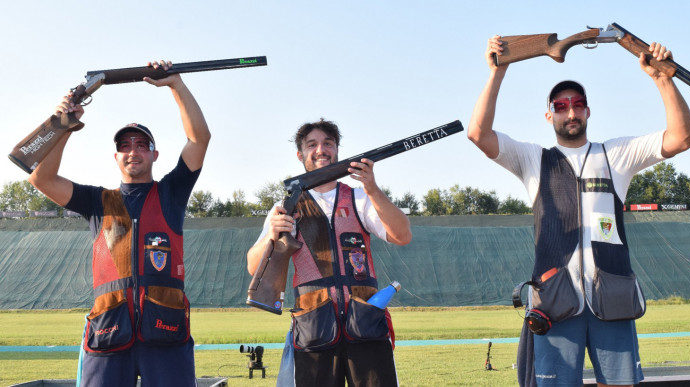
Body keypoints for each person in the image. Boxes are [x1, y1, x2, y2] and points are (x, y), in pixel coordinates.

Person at [468, 36, 690, 387]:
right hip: (555, 303)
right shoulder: (534, 159)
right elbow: (478, 134)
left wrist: (662, 78)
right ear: (549, 115)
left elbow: (682, 137)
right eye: (561, 105)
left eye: (578, 104)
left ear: (588, 111)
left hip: (613, 298)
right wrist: (499, 71)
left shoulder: (616, 155)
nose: (570, 112)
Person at [28, 60, 211, 387]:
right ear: (116, 157)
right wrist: (63, 125)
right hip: (108, 330)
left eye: (142, 145)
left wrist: (176, 85)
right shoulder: (97, 201)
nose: (133, 151)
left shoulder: (171, 193)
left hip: (166, 331)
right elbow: (41, 178)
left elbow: (199, 139)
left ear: (155, 155)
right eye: (125, 146)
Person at [246, 118, 412, 386]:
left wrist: (372, 188)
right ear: (300, 154)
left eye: (328, 143)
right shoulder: (285, 206)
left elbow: (403, 235)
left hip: (366, 324)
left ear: (337, 150)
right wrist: (273, 236)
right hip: (314, 327)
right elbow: (254, 266)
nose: (321, 150)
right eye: (312, 145)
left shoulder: (360, 197)